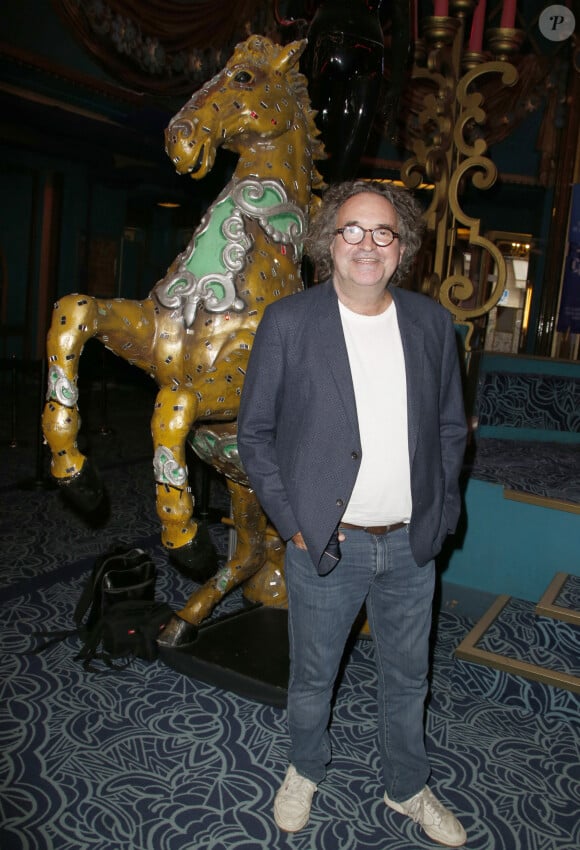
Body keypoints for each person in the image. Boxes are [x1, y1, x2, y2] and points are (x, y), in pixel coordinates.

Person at [237, 180, 468, 847]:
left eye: (383, 233)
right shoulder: (290, 322)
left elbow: (452, 429)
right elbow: (255, 435)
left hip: (409, 545)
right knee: (313, 676)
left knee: (409, 677)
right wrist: (296, 524)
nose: (367, 245)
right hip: (325, 543)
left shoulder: (430, 324)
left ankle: (407, 786)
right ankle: (304, 768)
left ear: (403, 247)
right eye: (352, 231)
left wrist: (442, 513)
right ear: (328, 242)